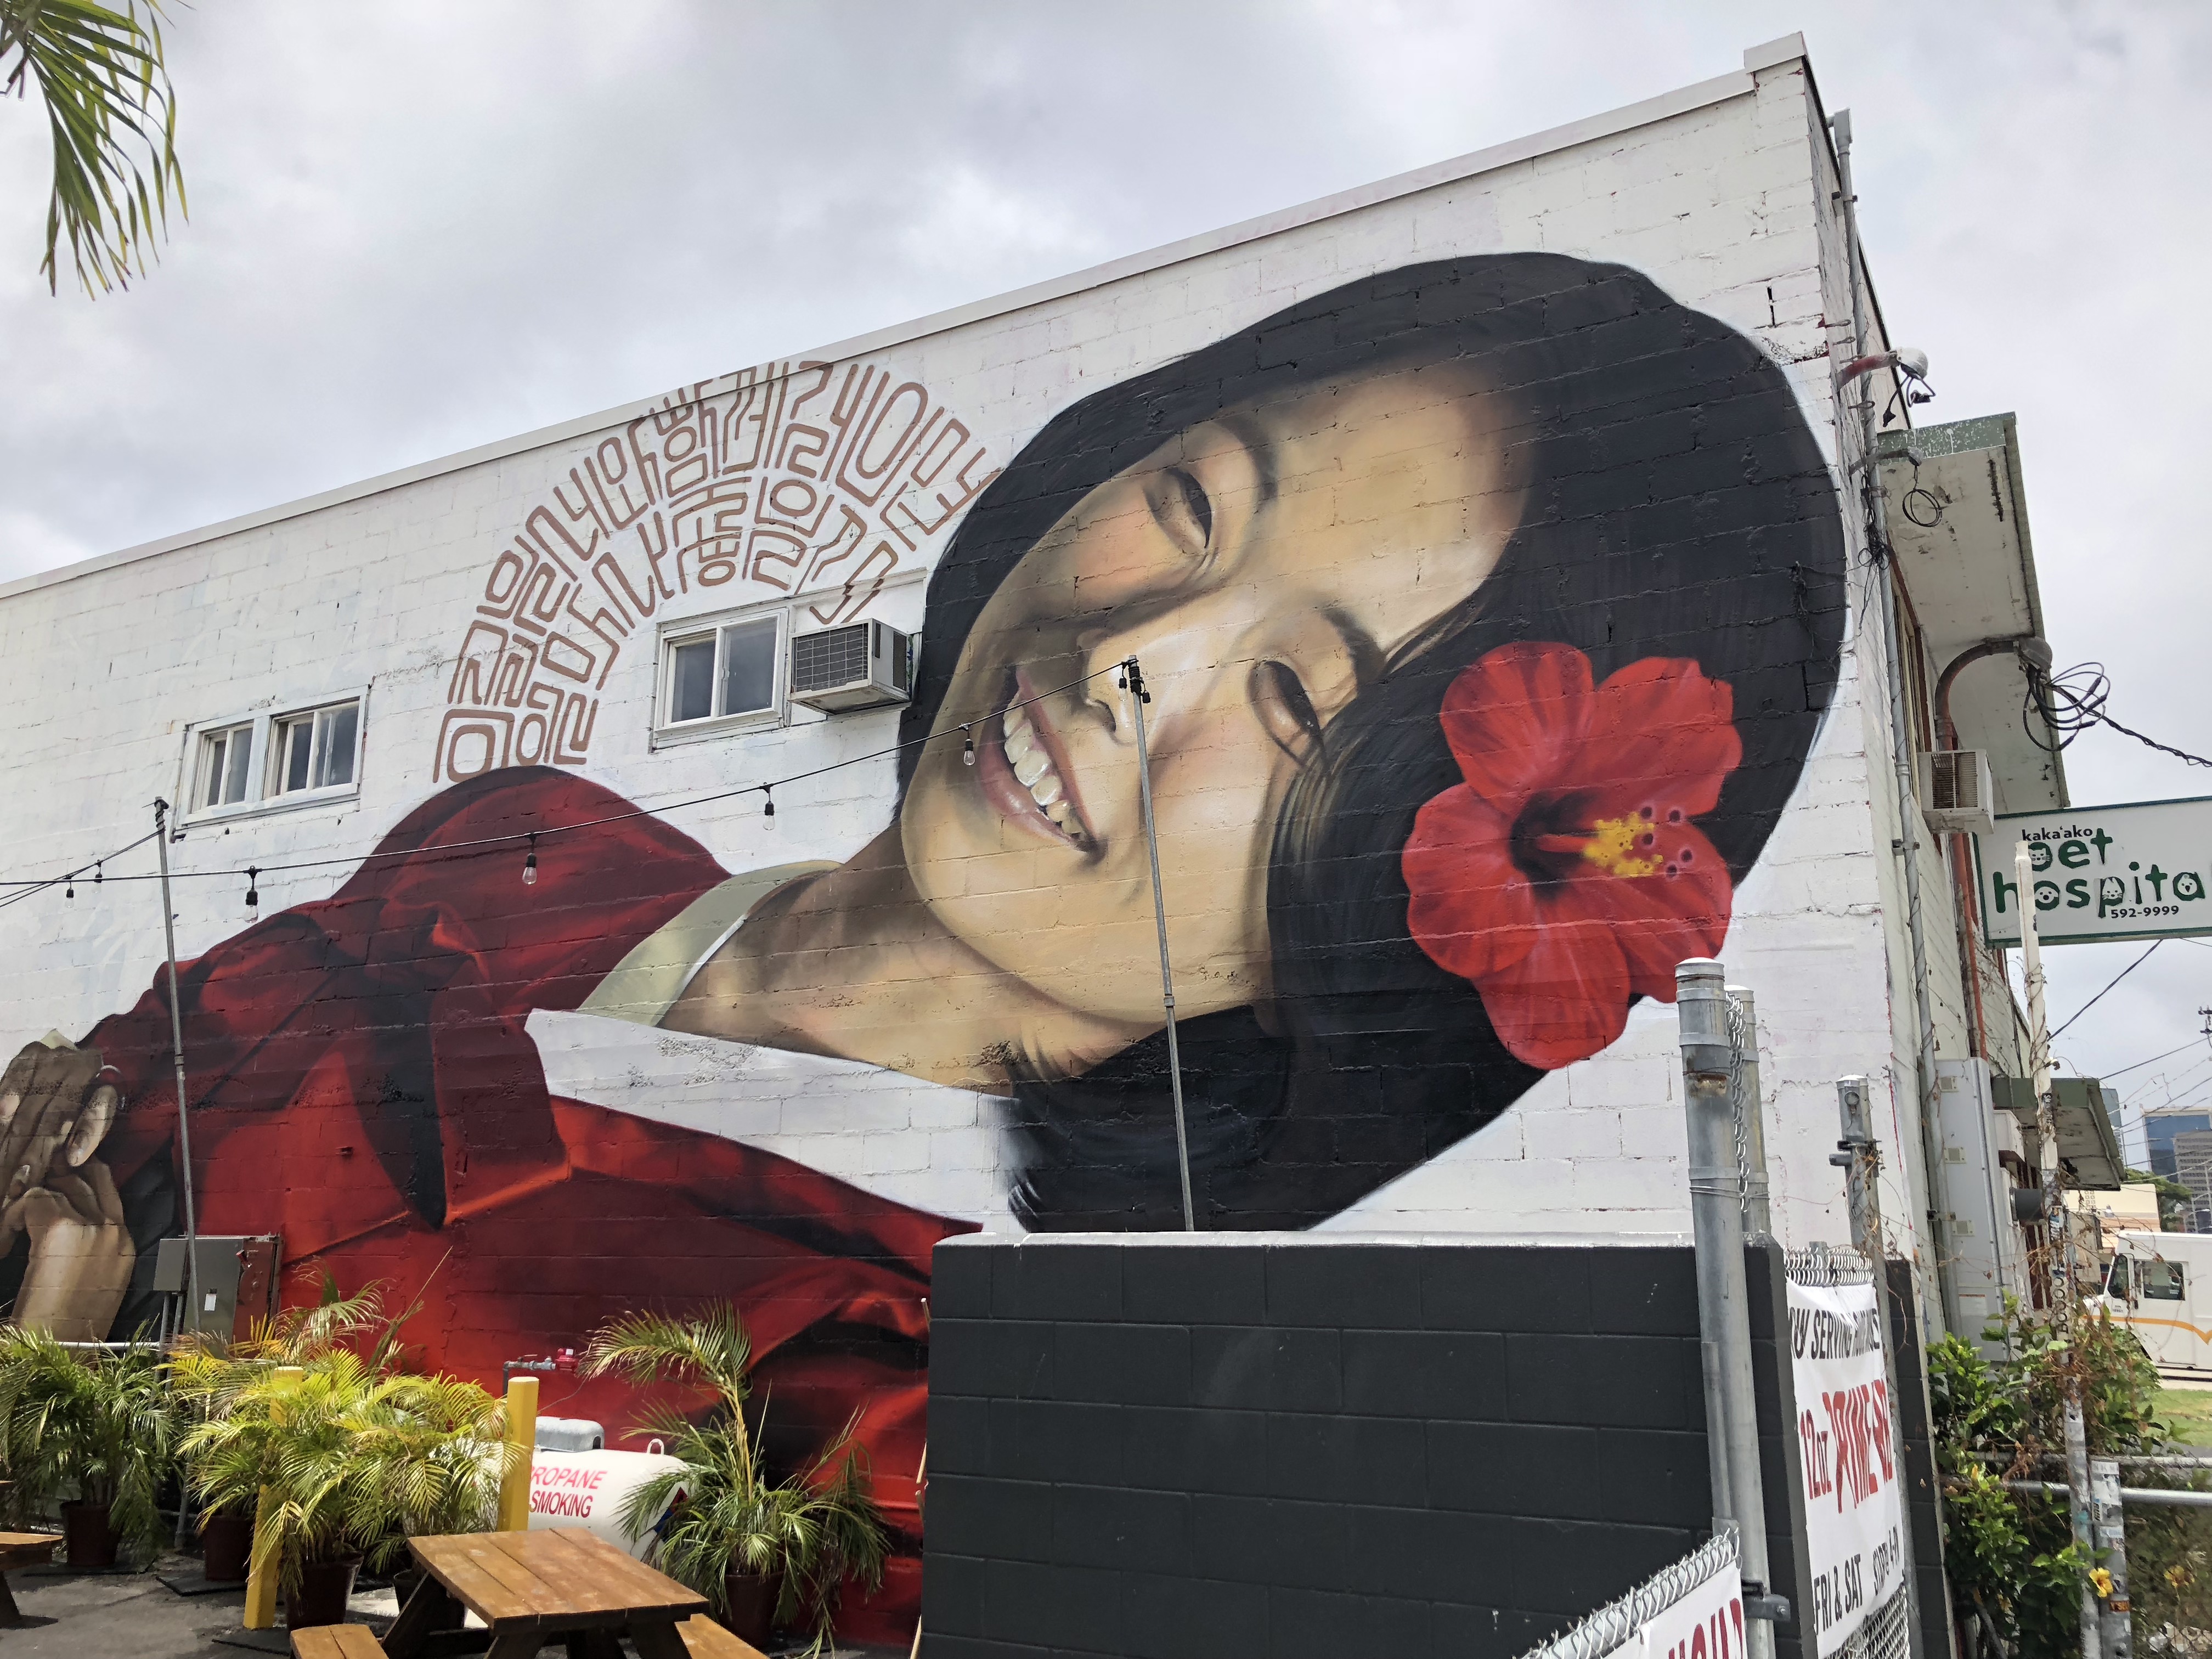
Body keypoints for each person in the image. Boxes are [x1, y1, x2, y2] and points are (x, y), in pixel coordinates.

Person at [0, 251, 1846, 1639]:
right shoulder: (525, 844)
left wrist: (51, 1341)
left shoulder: (902, 1388)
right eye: (1195, 503)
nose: (1140, 655)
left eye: (1295, 702)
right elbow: (110, 1109)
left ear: (1374, 934)